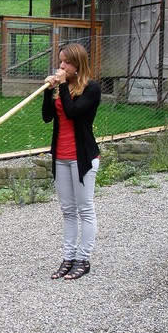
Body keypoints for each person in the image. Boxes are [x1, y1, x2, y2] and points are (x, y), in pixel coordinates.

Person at [41, 43, 101, 280]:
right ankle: (68, 258)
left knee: (85, 209)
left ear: (78, 64)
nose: (62, 66)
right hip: (61, 156)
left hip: (82, 157)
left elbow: (73, 112)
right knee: (67, 210)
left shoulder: (92, 88)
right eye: (60, 61)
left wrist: (63, 85)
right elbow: (47, 117)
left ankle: (83, 259)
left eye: (66, 62)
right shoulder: (61, 89)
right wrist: (49, 91)